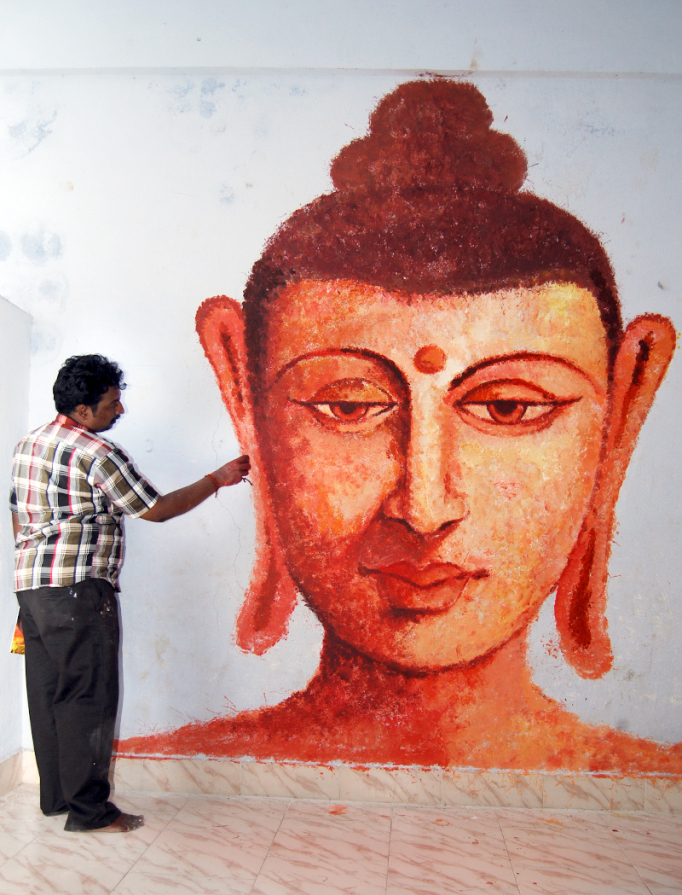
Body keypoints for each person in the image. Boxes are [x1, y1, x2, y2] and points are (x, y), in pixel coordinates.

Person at [119, 79, 682, 773]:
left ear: (619, 418)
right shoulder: (155, 769)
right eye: (348, 406)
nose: (424, 507)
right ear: (246, 398)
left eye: (508, 407)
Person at [10, 354, 249, 831]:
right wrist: (217, 479)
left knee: (50, 693)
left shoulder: (29, 443)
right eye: (111, 404)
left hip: (33, 590)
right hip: (79, 591)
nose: (119, 412)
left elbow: (17, 513)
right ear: (82, 409)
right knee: (88, 698)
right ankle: (91, 813)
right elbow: (156, 509)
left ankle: (57, 799)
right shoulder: (97, 454)